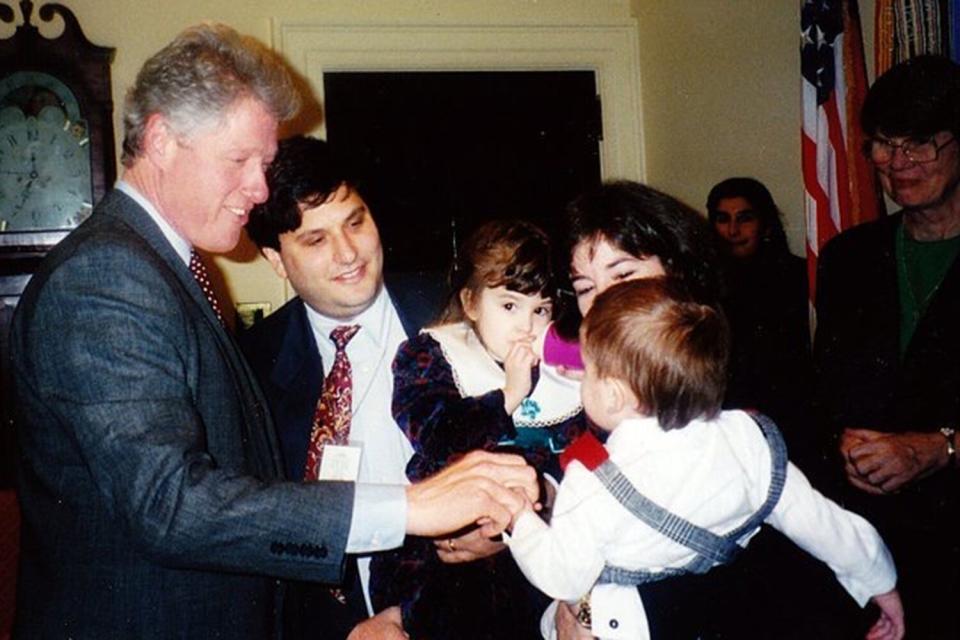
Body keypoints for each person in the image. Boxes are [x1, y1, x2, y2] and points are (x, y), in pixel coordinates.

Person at [9, 24, 536, 639]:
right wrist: (413, 507)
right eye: (241, 161)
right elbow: (170, 504)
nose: (259, 190)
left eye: (262, 164)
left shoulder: (158, 266)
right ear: (160, 139)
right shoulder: (108, 274)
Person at [506, 278, 905, 640]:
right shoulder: (747, 437)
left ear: (613, 395)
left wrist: (518, 519)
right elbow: (821, 522)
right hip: (717, 617)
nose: (581, 378)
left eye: (588, 370)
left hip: (627, 625)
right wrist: (880, 583)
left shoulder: (592, 478)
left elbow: (561, 574)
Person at [239, 134, 448, 639]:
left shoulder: (455, 309)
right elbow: (259, 527)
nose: (349, 253)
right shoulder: (251, 365)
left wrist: (499, 534)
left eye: (355, 222)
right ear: (275, 259)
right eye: (315, 240)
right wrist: (345, 629)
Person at [369, 219, 586, 639]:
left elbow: (580, 460)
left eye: (540, 310)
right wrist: (507, 396)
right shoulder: (433, 355)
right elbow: (435, 435)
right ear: (470, 302)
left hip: (534, 563)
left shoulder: (565, 375)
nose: (526, 325)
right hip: (445, 566)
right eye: (509, 306)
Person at [815, 54, 960, 639]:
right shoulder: (849, 257)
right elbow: (823, 391)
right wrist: (839, 440)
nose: (896, 163)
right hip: (865, 546)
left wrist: (940, 448)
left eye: (919, 142)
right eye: (882, 143)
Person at [705, 178, 813, 466]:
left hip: (789, 423)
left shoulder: (800, 278)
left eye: (744, 219)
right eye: (722, 219)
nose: (733, 231)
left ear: (765, 224)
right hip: (724, 425)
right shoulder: (701, 286)